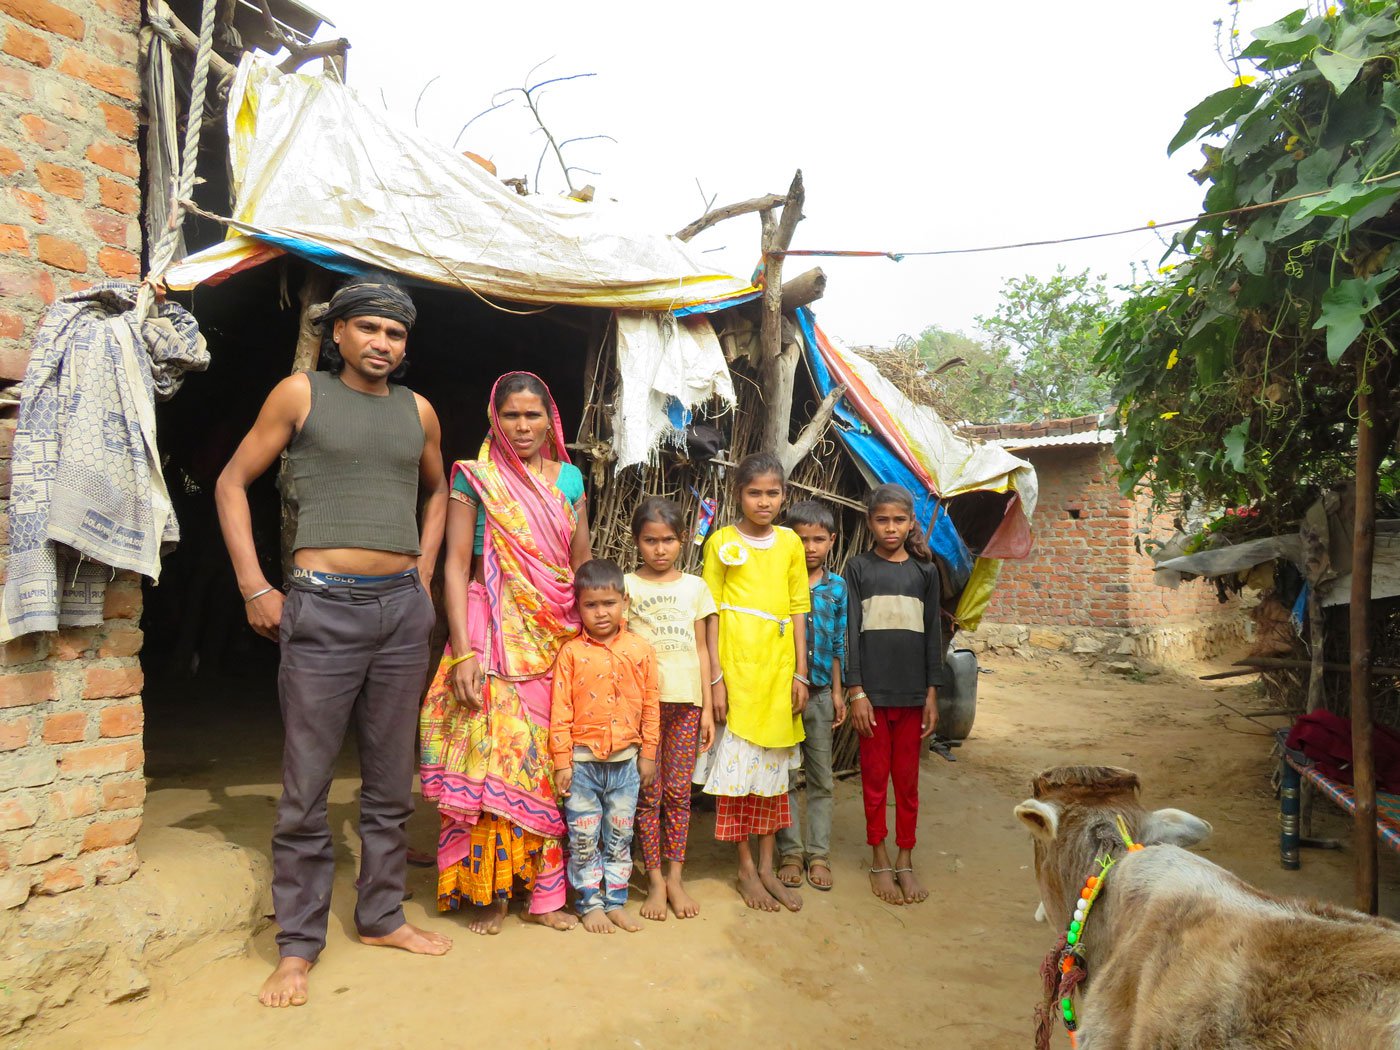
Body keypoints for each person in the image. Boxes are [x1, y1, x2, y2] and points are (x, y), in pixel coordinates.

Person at [215, 275, 452, 1008]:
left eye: (396, 334)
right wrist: (257, 585)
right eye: (370, 329)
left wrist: (424, 568)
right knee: (306, 787)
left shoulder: (419, 411)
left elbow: (439, 491)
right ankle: (297, 947)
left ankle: (381, 916)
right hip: (321, 611)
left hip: (399, 615)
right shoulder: (301, 394)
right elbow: (230, 483)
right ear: (339, 333)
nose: (383, 343)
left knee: (389, 784)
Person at [418, 371, 591, 935]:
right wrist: (463, 652)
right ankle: (489, 891)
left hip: (554, 631)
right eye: (511, 415)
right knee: (493, 755)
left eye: (532, 415)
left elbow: (581, 566)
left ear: (550, 420)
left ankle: (543, 894)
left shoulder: (569, 480)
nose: (522, 426)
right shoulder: (476, 478)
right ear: (496, 418)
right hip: (488, 627)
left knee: (545, 763)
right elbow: (452, 565)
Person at [697, 452, 810, 913]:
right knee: (739, 776)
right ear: (737, 494)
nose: (764, 501)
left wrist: (801, 672)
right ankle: (745, 868)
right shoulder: (721, 541)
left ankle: (768, 866)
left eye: (773, 492)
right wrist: (717, 681)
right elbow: (710, 612)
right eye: (754, 492)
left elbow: (799, 607)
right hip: (737, 673)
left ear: (784, 495)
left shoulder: (790, 544)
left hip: (778, 671)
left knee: (772, 775)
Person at [844, 483, 948, 906]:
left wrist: (932, 692)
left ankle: (906, 857)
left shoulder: (926, 573)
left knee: (907, 783)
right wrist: (856, 691)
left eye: (899, 520)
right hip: (872, 696)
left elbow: (933, 637)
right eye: (882, 520)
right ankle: (879, 857)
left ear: (911, 523)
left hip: (911, 697)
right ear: (870, 522)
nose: (891, 528)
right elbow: (850, 633)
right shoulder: (858, 569)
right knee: (873, 783)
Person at [551, 559, 660, 933]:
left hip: (626, 764)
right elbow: (560, 710)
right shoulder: (570, 654)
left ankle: (615, 900)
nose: (601, 613)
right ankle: (589, 903)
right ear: (578, 607)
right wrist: (562, 761)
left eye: (608, 603)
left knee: (619, 833)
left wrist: (648, 754)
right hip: (582, 765)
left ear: (624, 601)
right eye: (591, 605)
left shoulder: (641, 650)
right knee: (582, 836)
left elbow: (650, 705)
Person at [625, 497, 717, 921]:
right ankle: (655, 878)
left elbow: (702, 649)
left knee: (679, 793)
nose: (659, 549)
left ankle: (676, 875)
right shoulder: (627, 586)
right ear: (637, 542)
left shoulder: (695, 588)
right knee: (648, 793)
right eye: (650, 541)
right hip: (643, 707)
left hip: (686, 703)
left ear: (682, 541)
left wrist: (708, 710)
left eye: (667, 540)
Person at [775, 500, 847, 893]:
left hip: (820, 694)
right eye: (802, 539)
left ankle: (817, 853)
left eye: (819, 539)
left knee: (821, 779)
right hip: (784, 695)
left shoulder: (837, 588)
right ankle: (790, 852)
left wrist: (838, 692)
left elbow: (839, 644)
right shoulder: (781, 584)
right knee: (785, 776)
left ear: (832, 541)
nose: (810, 547)